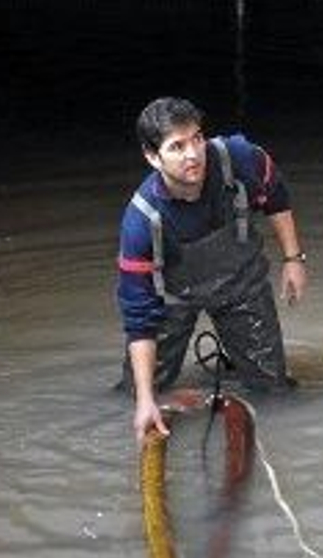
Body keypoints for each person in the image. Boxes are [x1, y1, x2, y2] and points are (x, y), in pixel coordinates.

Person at [117, 97, 309, 444]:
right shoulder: (141, 221)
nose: (193, 154)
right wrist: (146, 401)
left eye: (197, 138)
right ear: (152, 157)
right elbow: (138, 318)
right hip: (172, 297)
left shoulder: (240, 157)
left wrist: (294, 260)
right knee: (137, 390)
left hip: (240, 284)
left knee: (274, 390)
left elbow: (276, 196)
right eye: (177, 146)